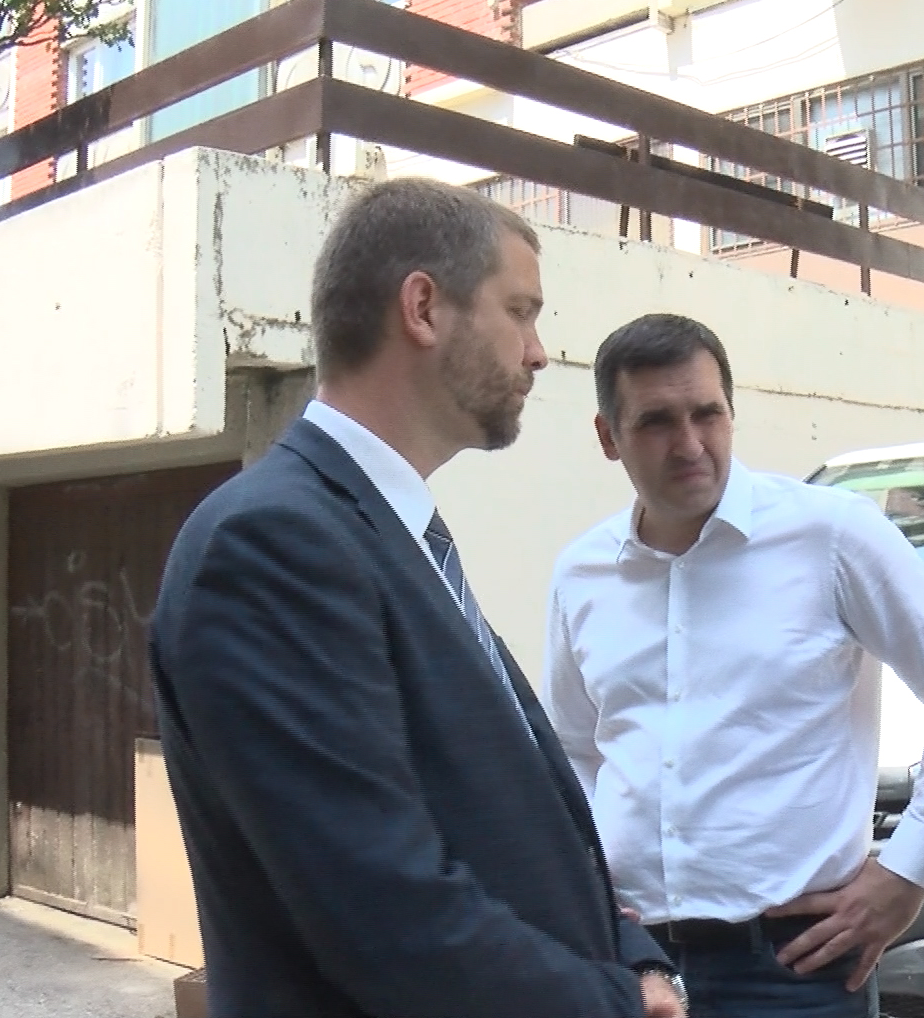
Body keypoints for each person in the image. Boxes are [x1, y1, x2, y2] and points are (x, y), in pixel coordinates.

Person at [149, 179, 683, 1018]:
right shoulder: (272, 544)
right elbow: (384, 912)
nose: (538, 353)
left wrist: (640, 959)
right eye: (520, 312)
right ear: (424, 308)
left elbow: (520, 825)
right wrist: (617, 1004)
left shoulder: (389, 532)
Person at [544, 313, 924, 1018]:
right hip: (632, 962)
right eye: (657, 422)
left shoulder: (831, 535)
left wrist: (908, 871)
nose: (689, 444)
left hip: (795, 966)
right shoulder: (582, 573)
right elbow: (578, 750)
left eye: (707, 414)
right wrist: (594, 900)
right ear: (609, 436)